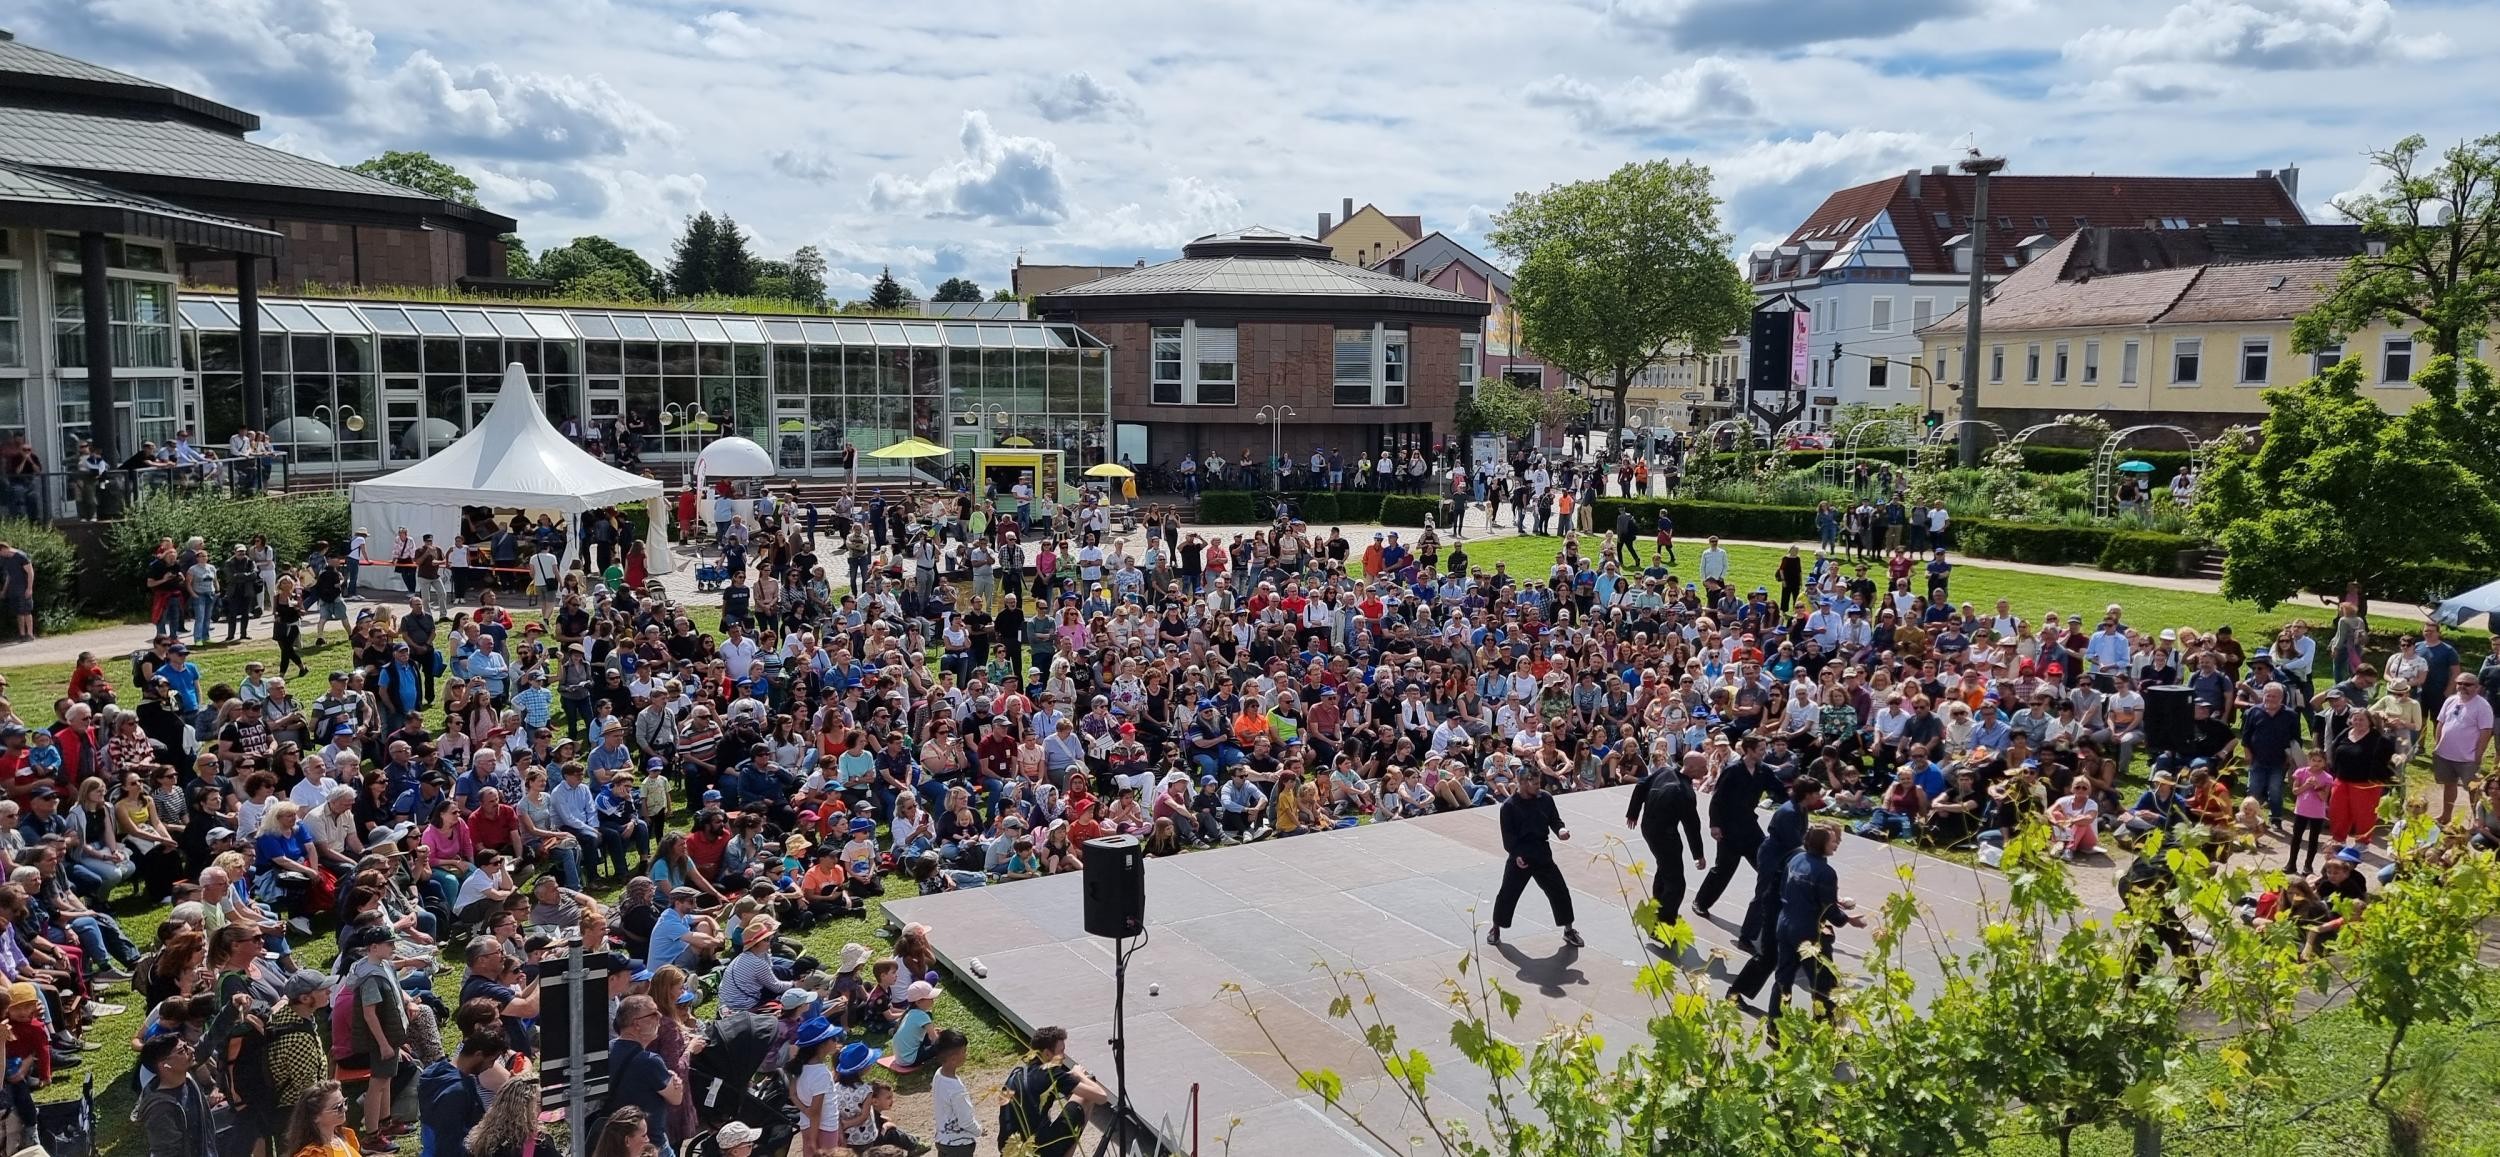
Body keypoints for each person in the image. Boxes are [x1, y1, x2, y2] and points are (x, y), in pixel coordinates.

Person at [1769, 824, 1864, 1021]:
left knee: (1783, 980)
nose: (1836, 844)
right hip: (1809, 932)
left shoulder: (1795, 859)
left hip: (1785, 924)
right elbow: (1830, 911)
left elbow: (1788, 888)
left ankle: (1774, 1027)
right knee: (1823, 983)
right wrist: (1848, 919)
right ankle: (1824, 1028)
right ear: (1822, 844)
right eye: (1832, 840)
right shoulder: (1826, 872)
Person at [1487, 770, 1579, 948]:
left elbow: (1554, 819)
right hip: (1521, 854)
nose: (1539, 787)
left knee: (1560, 891)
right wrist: (1517, 855)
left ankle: (1568, 929)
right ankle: (1496, 927)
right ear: (1522, 783)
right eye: (1535, 784)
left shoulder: (1545, 798)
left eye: (1539, 783)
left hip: (1542, 851)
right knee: (1508, 894)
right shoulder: (1509, 807)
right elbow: (1508, 838)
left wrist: (1560, 830)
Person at [1623, 750, 1705, 932]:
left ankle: (1656, 910)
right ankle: (1663, 926)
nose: (1706, 770)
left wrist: (1633, 812)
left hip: (1649, 828)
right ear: (1691, 768)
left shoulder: (1664, 771)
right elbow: (1692, 825)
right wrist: (1698, 854)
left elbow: (1642, 785)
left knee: (1664, 869)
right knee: (1677, 883)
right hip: (1664, 835)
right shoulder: (1684, 792)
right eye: (1703, 767)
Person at [999, 1025, 1109, 1157]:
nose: (1064, 1056)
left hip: (1009, 1150)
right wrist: (1080, 1075)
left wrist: (1069, 1077)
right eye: (1061, 1051)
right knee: (1086, 1098)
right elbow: (1102, 1097)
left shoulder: (1018, 1073)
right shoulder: (1050, 1073)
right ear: (1047, 1054)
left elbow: (1044, 1084)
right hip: (1036, 1151)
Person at [136, 1034, 219, 1157]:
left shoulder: (186, 1077)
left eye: (187, 1046)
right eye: (182, 1051)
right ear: (165, 1066)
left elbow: (209, 1039)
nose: (191, 1050)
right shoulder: (160, 1111)